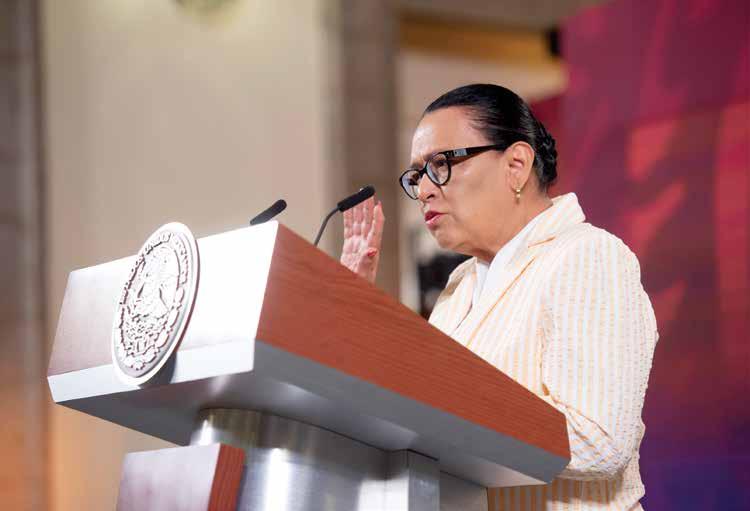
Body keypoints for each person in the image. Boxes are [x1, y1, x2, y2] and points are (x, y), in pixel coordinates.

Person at [340, 83, 658, 510]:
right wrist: (353, 309)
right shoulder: (459, 287)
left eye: (441, 164)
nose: (425, 190)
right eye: (417, 176)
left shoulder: (587, 255)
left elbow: (599, 439)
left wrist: (440, 411)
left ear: (516, 165)